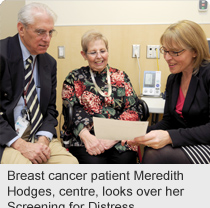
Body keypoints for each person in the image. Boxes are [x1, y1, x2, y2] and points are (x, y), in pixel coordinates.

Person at [0, 2, 78, 164]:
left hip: (38, 134)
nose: (47, 39)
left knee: (70, 166)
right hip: (7, 138)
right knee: (27, 172)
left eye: (51, 32)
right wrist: (21, 145)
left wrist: (43, 140)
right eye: (41, 32)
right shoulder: (2, 55)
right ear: (21, 29)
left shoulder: (49, 64)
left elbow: (50, 110)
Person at [125, 20, 210, 164]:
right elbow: (169, 121)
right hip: (188, 140)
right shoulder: (173, 79)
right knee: (152, 149)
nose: (167, 57)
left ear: (195, 51)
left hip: (205, 142)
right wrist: (139, 134)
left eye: (175, 52)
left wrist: (170, 137)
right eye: (165, 50)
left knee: (156, 155)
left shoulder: (207, 75)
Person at [62, 30, 141, 164]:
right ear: (84, 55)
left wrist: (114, 137)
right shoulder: (73, 77)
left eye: (102, 51)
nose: (99, 56)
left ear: (108, 51)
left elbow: (133, 108)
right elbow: (71, 109)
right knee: (93, 163)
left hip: (119, 136)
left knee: (125, 160)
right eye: (93, 52)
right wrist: (86, 136)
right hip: (87, 137)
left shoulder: (121, 76)